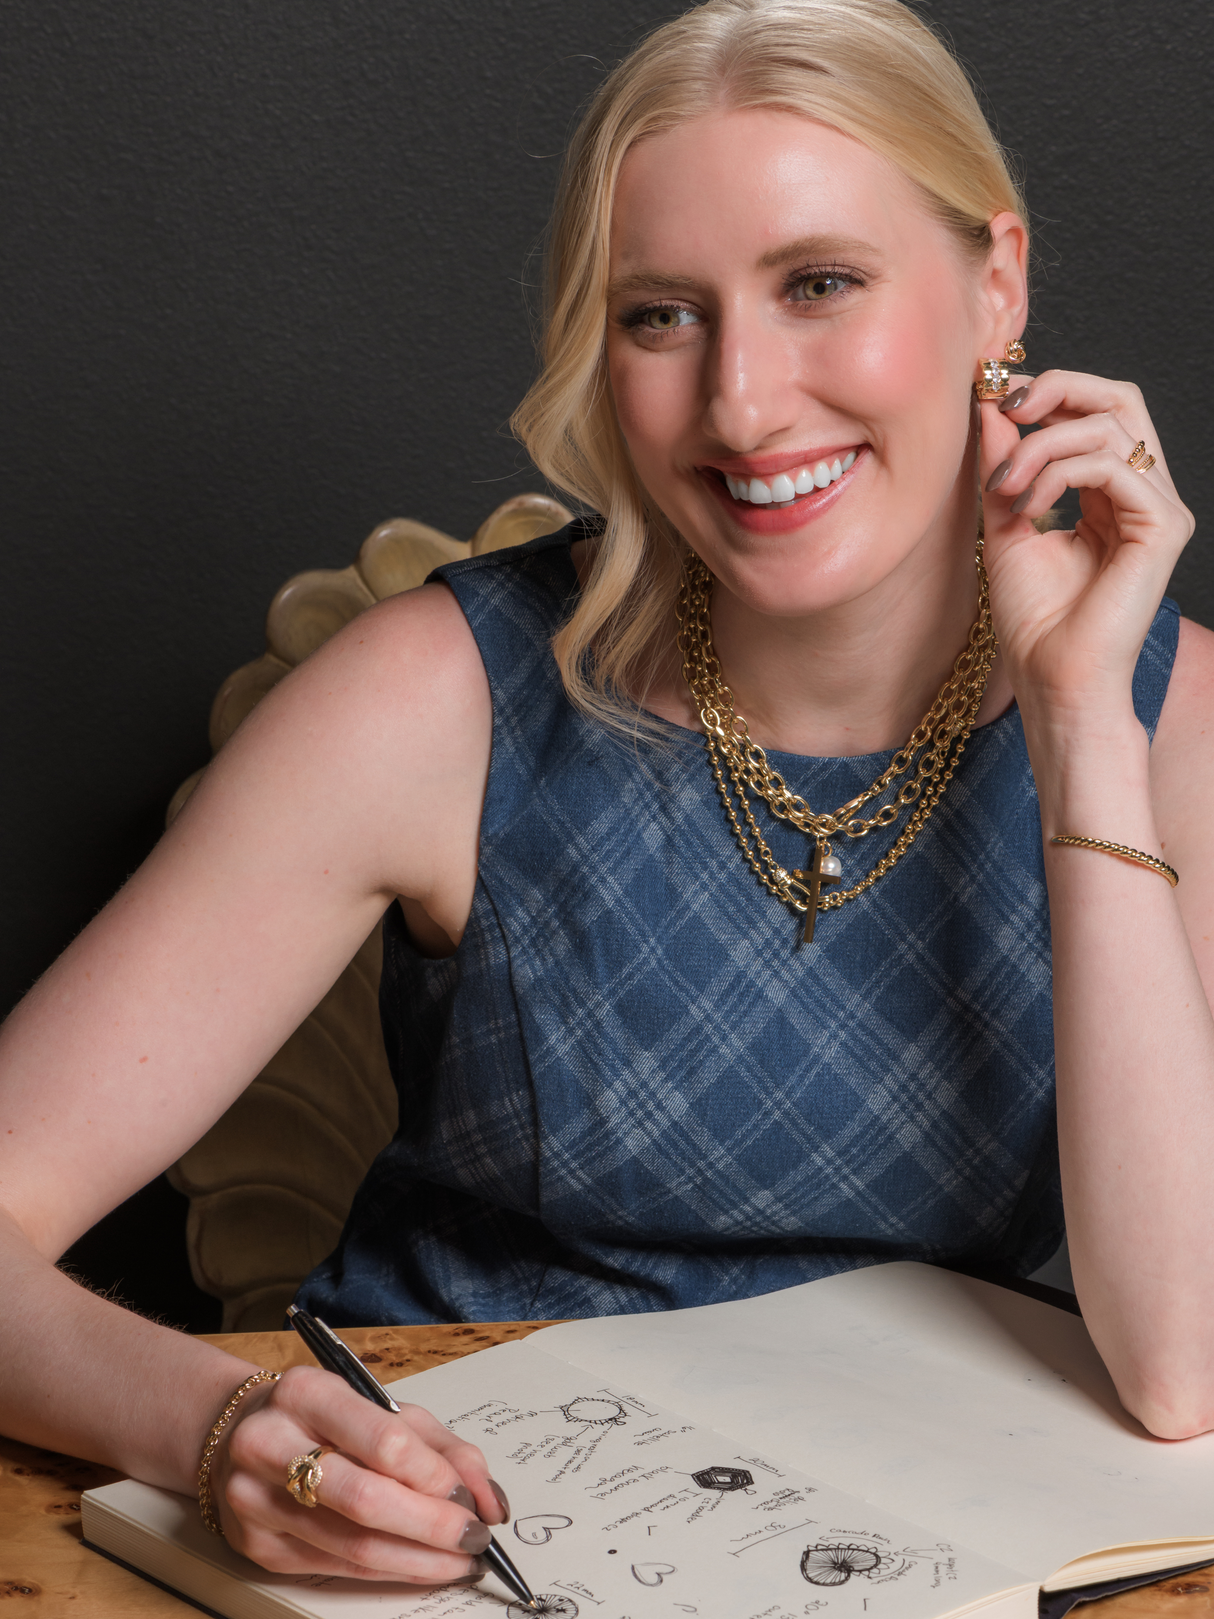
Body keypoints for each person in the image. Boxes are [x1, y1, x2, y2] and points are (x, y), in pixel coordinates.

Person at [1, 0, 1211, 1588]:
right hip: (457, 1553)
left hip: (919, 1558)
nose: (742, 405)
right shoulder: (431, 698)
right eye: (659, 317)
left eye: (818, 285)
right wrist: (233, 1429)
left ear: (995, 282)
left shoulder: (1162, 715)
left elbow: (1183, 1370)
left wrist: (1076, 716)